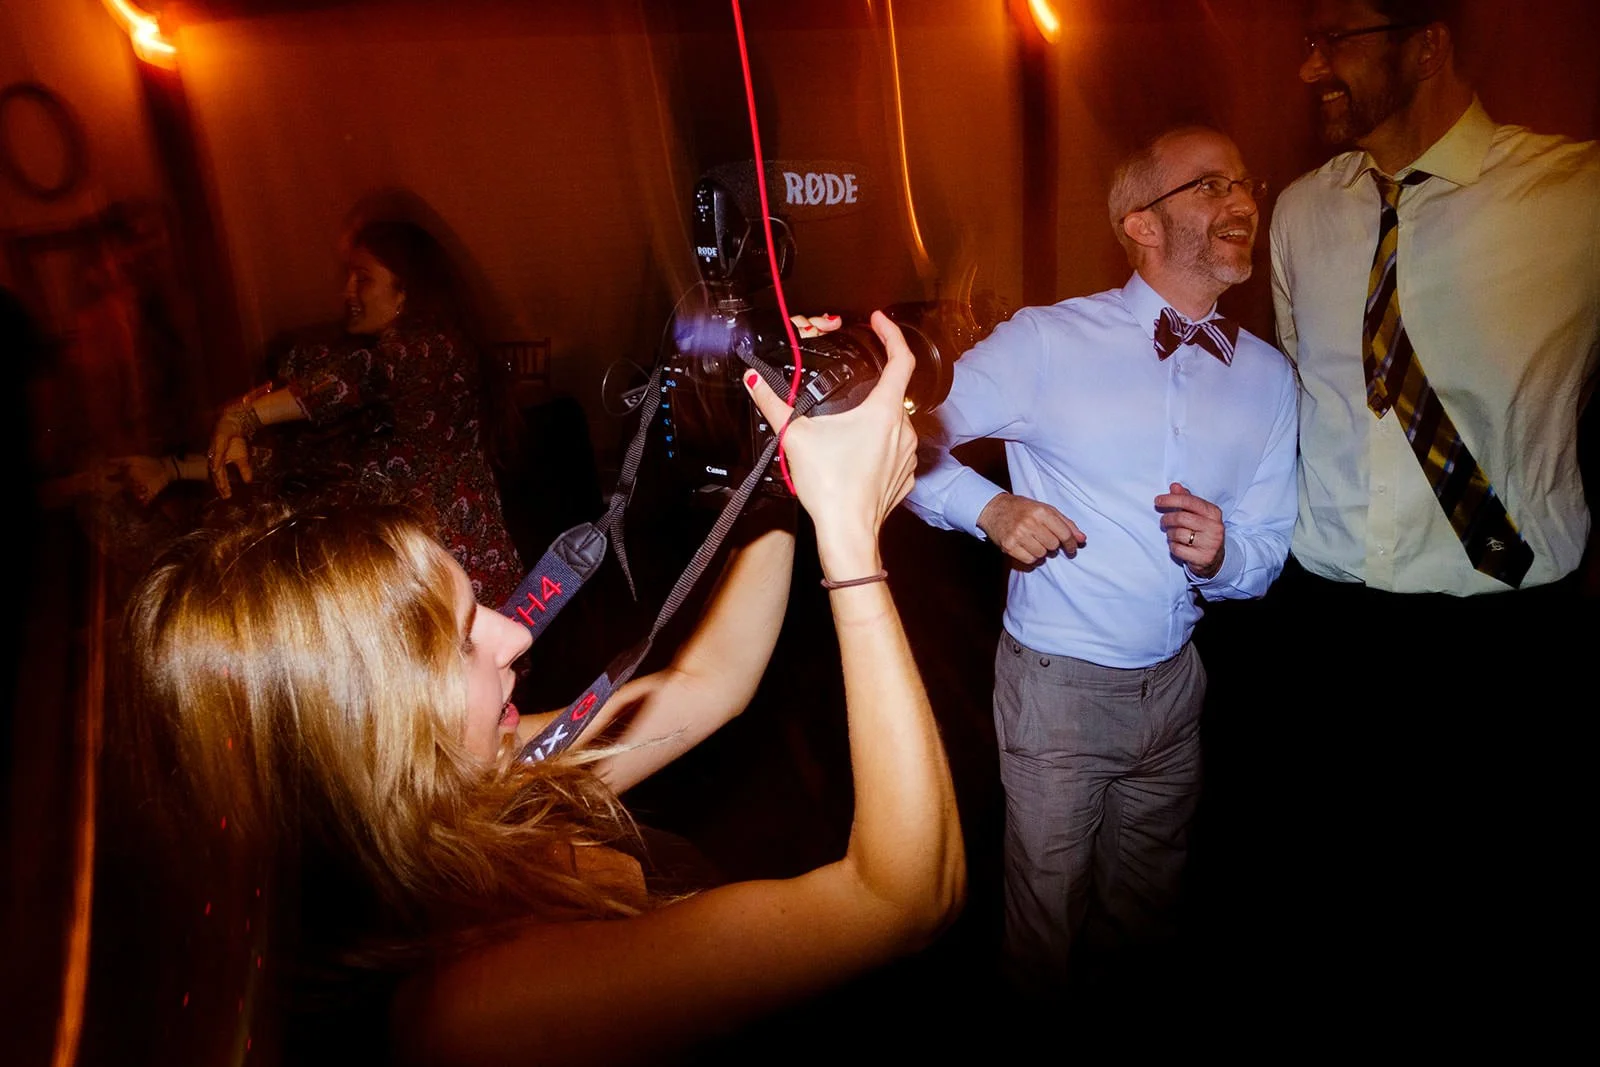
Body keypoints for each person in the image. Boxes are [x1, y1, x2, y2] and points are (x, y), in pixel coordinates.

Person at [116, 312, 965, 1066]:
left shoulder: (464, 782)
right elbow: (899, 898)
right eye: (458, 642)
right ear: (365, 731)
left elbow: (710, 683)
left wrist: (780, 476)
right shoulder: (474, 1011)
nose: (517, 635)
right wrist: (853, 550)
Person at [901, 126, 1297, 1003]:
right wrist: (990, 507)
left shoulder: (1269, 378)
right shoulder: (1047, 342)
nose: (1241, 205)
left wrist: (1228, 552)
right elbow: (904, 440)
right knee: (1044, 935)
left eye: (1245, 185)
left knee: (1148, 923)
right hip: (1058, 691)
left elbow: (1269, 547)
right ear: (1141, 225)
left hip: (1179, 689)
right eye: (1210, 187)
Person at [1263, 0, 1599, 1015]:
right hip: (1324, 626)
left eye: (1335, 40)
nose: (1308, 68)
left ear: (1426, 43)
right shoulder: (1298, 212)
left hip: (1505, 642)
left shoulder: (1575, 198)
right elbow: (1305, 395)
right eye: (1304, 42)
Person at [201, 218, 524, 603]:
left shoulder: (429, 348)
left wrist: (244, 417)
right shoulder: (382, 375)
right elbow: (301, 452)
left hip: (455, 566)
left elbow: (357, 376)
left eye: (363, 278)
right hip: (416, 567)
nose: (347, 291)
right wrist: (176, 465)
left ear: (405, 290)